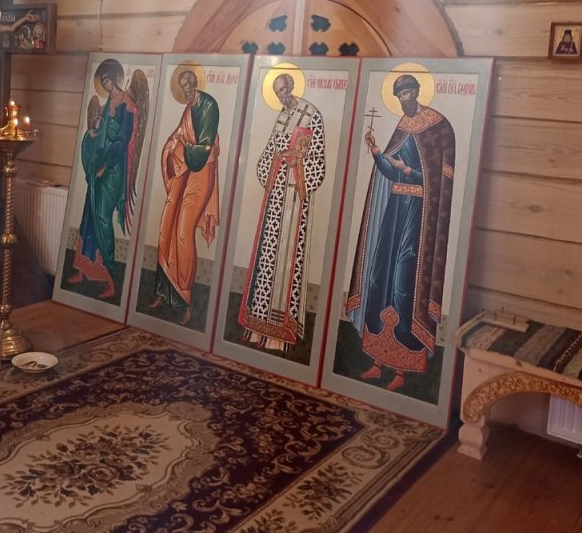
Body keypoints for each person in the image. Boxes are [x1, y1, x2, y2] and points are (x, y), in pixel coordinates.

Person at [345, 74, 455, 393]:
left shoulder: (437, 126)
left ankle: (402, 369)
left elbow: (435, 179)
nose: (404, 98)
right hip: (393, 212)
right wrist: (377, 153)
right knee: (379, 277)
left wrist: (407, 170)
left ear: (416, 92)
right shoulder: (402, 127)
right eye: (399, 95)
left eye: (407, 92)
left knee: (404, 283)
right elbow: (389, 171)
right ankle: (377, 361)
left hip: (418, 217)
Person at [237, 73, 325, 353]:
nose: (281, 95)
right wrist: (276, 161)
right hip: (276, 197)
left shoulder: (311, 114)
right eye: (277, 92)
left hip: (295, 198)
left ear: (292, 87)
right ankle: (259, 324)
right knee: (267, 257)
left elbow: (318, 160)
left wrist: (297, 162)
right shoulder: (281, 117)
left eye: (284, 89)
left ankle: (280, 332)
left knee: (287, 259)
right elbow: (269, 154)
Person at [149, 70, 220, 325]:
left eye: (189, 83)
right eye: (183, 85)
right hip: (184, 170)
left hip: (201, 172)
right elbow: (179, 134)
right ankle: (164, 290)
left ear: (196, 82)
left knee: (183, 233)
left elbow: (205, 145)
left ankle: (185, 298)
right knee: (166, 228)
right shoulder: (189, 108)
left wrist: (180, 147)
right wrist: (173, 145)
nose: (187, 88)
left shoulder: (208, 105)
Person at [68, 58, 143, 301]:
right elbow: (99, 134)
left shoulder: (127, 105)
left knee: (101, 217)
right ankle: (82, 269)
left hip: (113, 170)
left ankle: (110, 277)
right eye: (103, 82)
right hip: (99, 168)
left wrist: (105, 166)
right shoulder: (106, 105)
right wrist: (92, 133)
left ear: (116, 78)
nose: (106, 84)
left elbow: (122, 141)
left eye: (108, 80)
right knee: (88, 215)